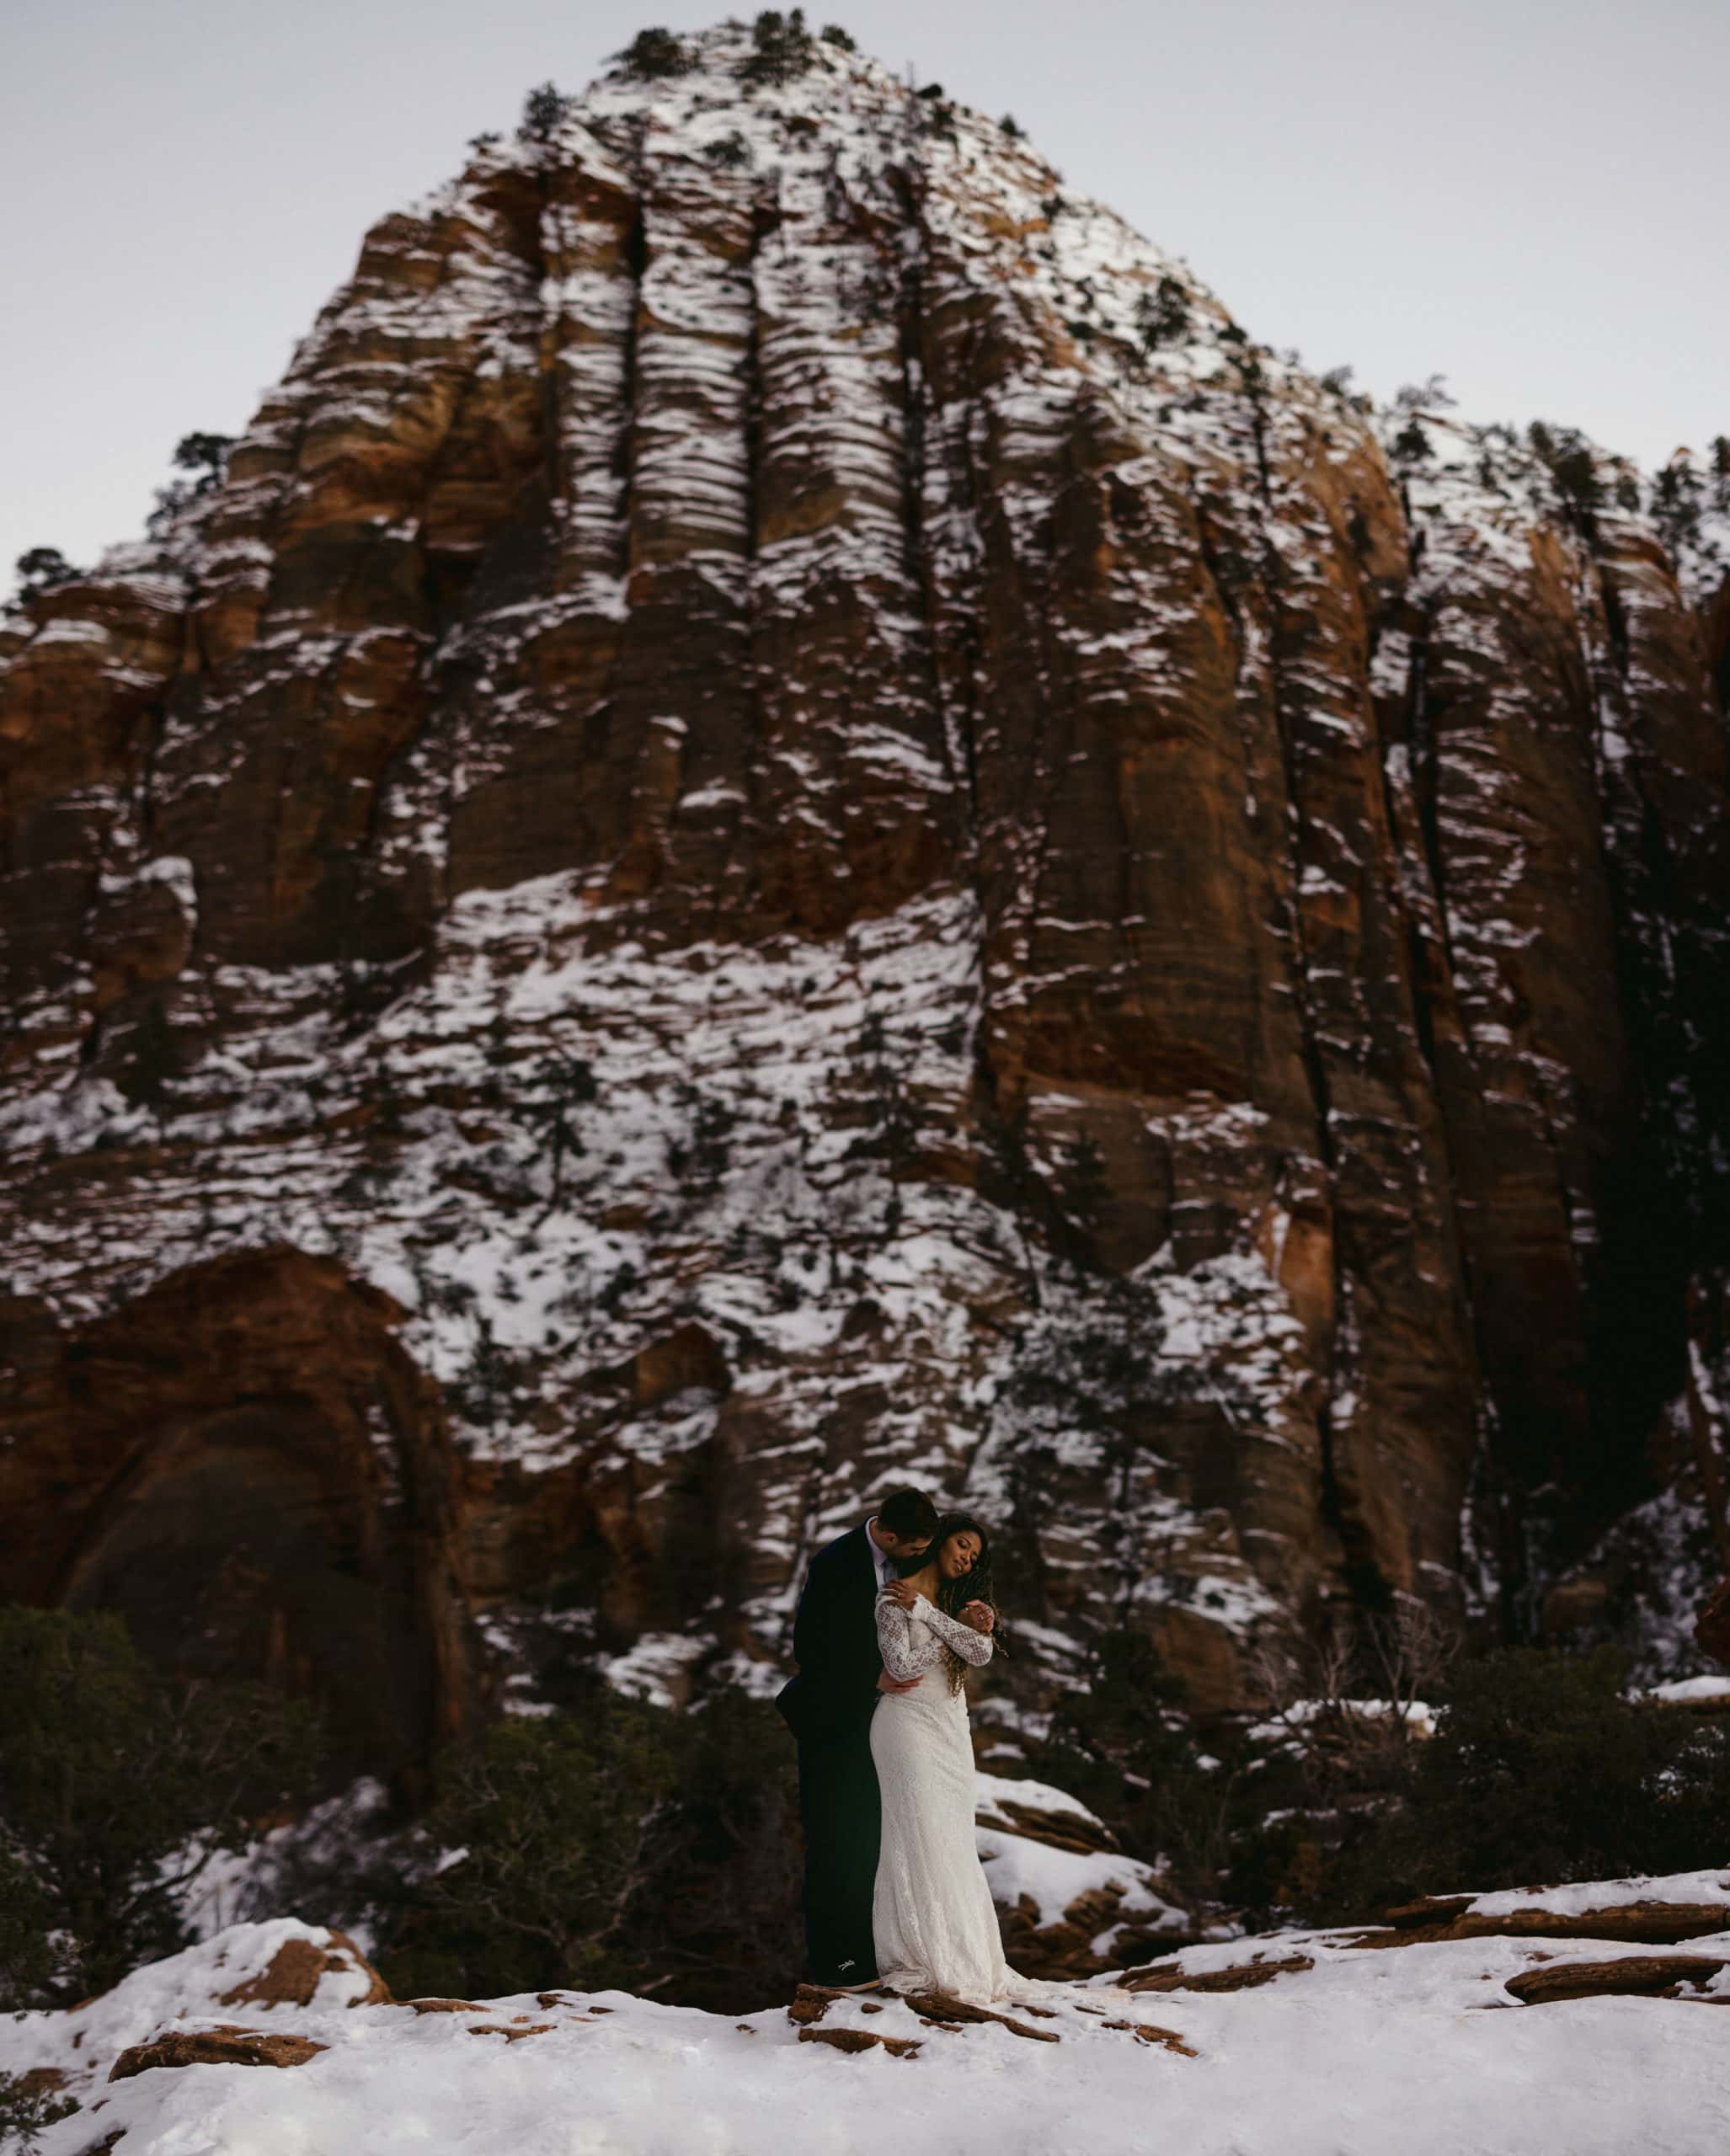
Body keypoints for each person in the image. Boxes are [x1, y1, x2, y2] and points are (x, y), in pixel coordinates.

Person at [775, 1487, 939, 1989]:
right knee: (834, 1843)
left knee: (873, 1840)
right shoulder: (835, 1563)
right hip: (831, 1720)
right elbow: (810, 1646)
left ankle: (876, 1952)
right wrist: (872, 1675)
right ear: (889, 1536)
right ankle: (838, 1965)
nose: (920, 1557)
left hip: (884, 1726)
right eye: (913, 1548)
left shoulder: (912, 1552)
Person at [871, 1510, 1023, 2002]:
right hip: (906, 1727)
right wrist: (943, 1628)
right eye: (962, 1545)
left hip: (952, 1732)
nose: (966, 1558)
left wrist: (936, 1616)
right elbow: (901, 1665)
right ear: (937, 1540)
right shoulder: (893, 1599)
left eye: (974, 1555)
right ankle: (921, 1957)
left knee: (953, 1839)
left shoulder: (958, 1602)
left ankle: (967, 1955)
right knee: (918, 1835)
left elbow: (979, 1653)